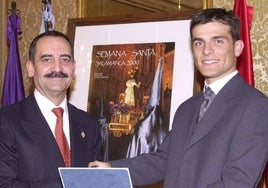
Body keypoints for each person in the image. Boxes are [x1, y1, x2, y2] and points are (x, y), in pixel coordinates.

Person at [89, 8, 268, 188]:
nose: (206, 50)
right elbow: (164, 160)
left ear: (237, 48)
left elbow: (237, 182)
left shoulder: (255, 107)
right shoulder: (187, 108)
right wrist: (111, 169)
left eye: (218, 41)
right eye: (199, 43)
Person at [0, 30, 102, 187]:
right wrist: (72, 183)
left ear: (73, 68)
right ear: (30, 68)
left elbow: (98, 181)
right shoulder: (6, 121)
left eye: (65, 59)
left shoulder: (90, 124)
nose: (57, 67)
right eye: (47, 59)